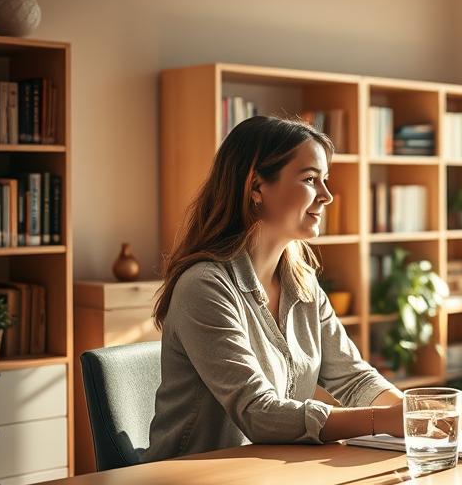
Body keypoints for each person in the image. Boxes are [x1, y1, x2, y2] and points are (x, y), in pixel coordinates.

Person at [144, 116, 402, 462]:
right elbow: (258, 412)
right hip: (186, 483)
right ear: (256, 187)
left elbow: (353, 378)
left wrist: (413, 412)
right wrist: (380, 420)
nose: (326, 196)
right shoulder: (204, 286)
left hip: (264, 477)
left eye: (325, 180)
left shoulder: (302, 282)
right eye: (310, 179)